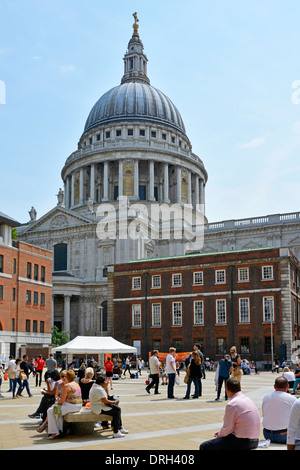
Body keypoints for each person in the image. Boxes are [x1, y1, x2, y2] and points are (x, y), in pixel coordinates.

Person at [199, 378, 261, 450]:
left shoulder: (232, 404)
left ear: (227, 390)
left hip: (243, 442)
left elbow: (227, 429)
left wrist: (219, 435)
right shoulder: (247, 399)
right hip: (255, 440)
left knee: (204, 446)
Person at [47, 369, 82, 439]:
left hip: (71, 406)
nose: (64, 377)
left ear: (67, 377)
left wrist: (55, 404)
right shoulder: (76, 384)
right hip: (78, 405)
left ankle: (54, 432)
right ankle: (59, 431)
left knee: (50, 411)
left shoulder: (66, 386)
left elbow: (62, 400)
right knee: (57, 411)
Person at [262, 376, 296, 444]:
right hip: (283, 435)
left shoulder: (266, 397)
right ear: (288, 386)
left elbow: (264, 414)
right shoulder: (292, 399)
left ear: (274, 386)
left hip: (267, 434)